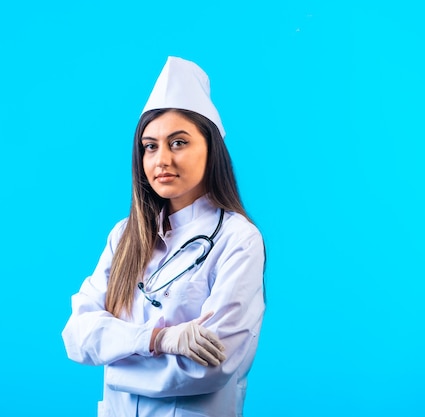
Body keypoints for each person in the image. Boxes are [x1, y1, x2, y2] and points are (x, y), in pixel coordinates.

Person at [61, 56, 266, 417]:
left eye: (179, 142)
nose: (161, 160)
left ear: (211, 148)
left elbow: (209, 368)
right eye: (150, 146)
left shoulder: (238, 239)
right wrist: (158, 340)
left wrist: (115, 359)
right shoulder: (124, 236)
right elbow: (77, 336)